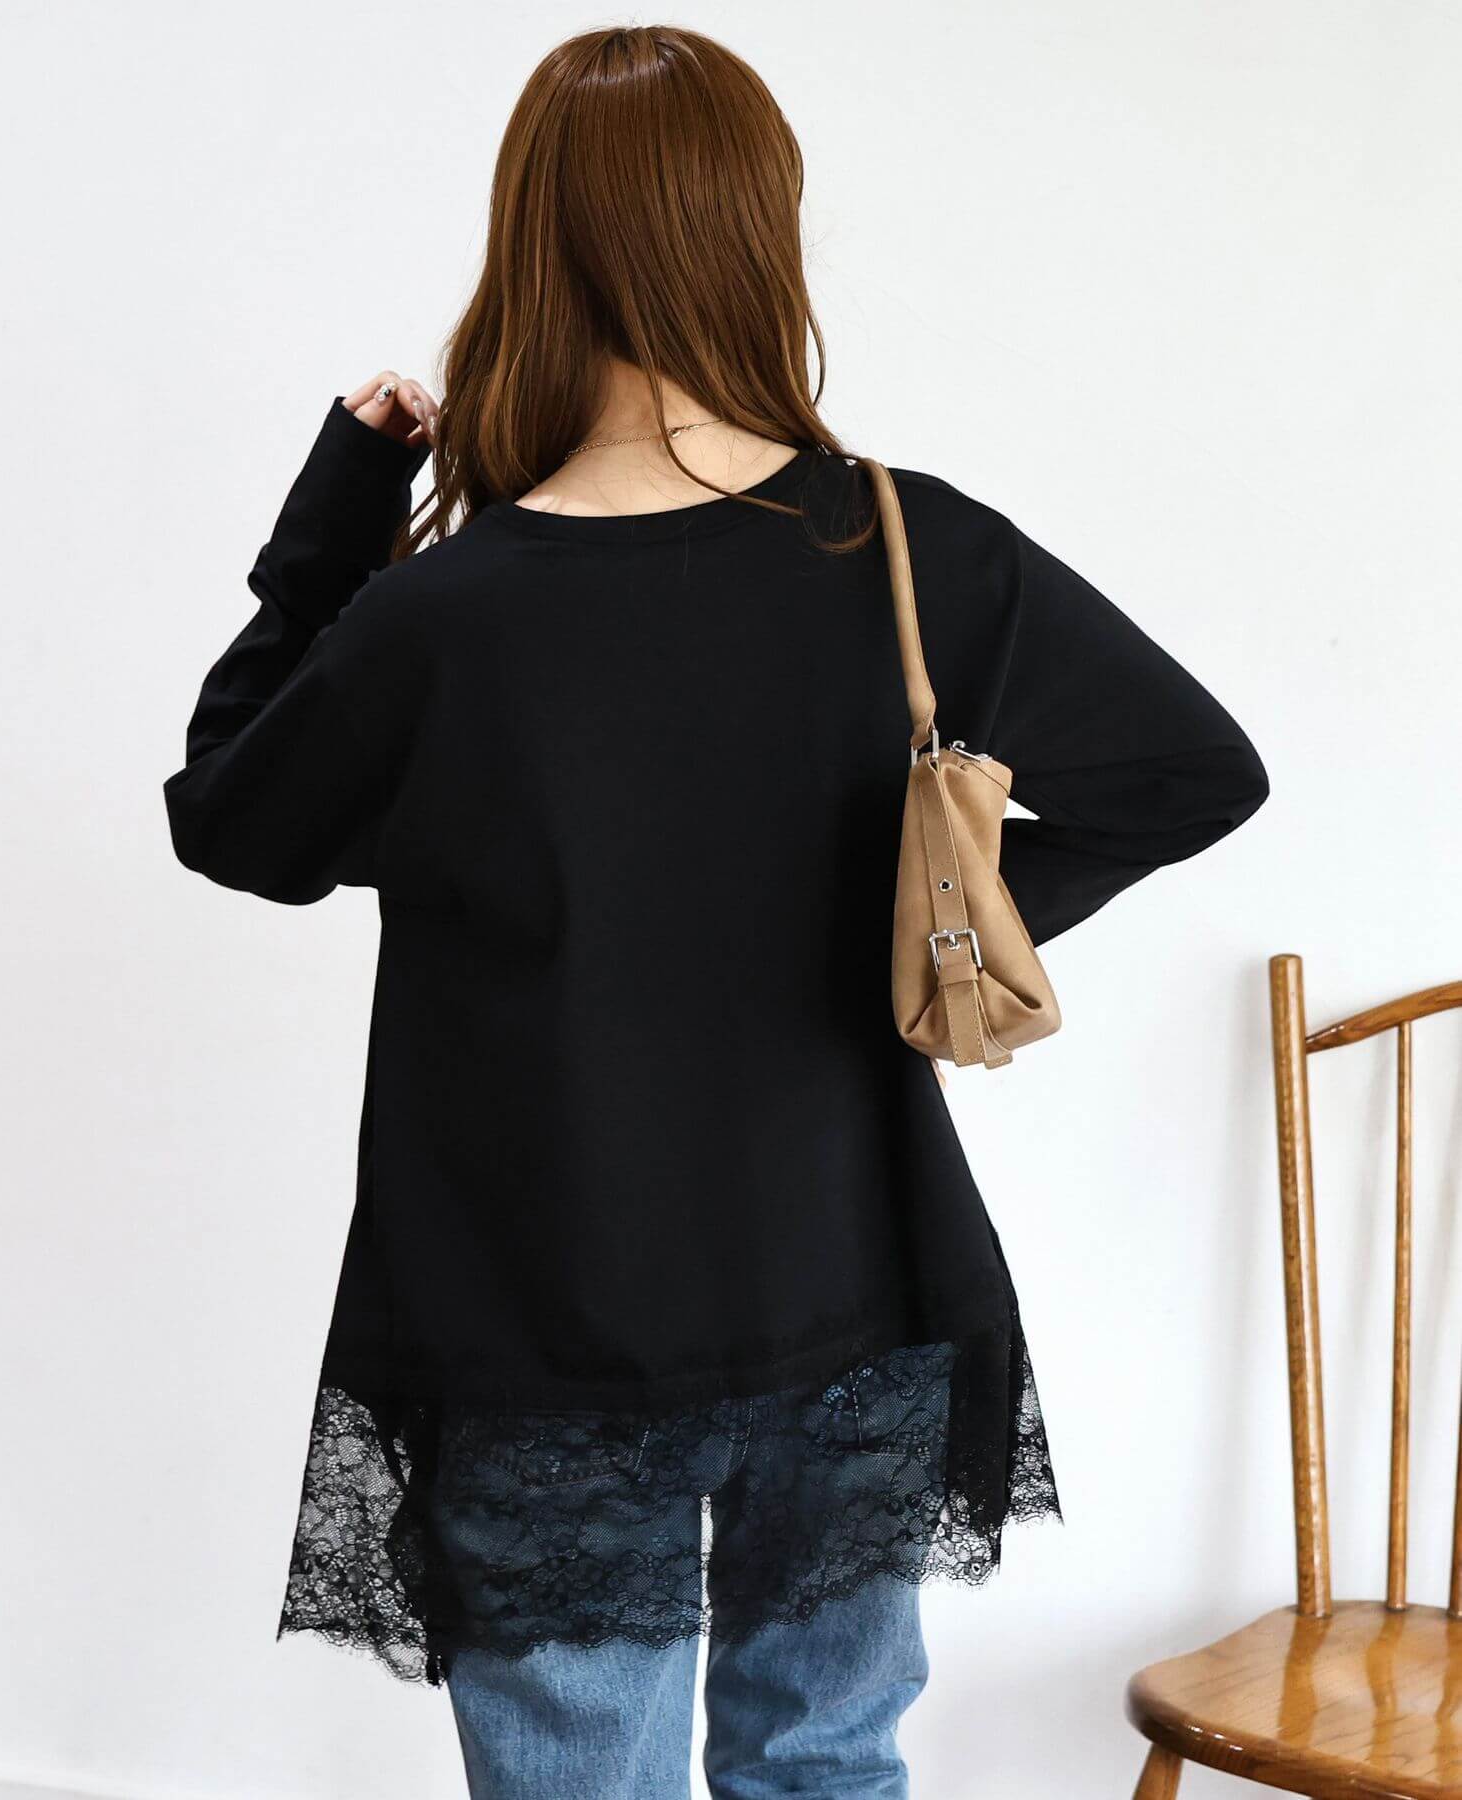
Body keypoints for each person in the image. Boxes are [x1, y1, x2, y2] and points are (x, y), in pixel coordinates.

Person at [162, 24, 1268, 1800]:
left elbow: (234, 821)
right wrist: (926, 936)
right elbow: (1193, 772)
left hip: (541, 1325)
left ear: (532, 244)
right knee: (827, 1766)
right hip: (855, 1288)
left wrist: (338, 520)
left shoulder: (444, 620)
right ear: (758, 234)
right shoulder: (903, 546)